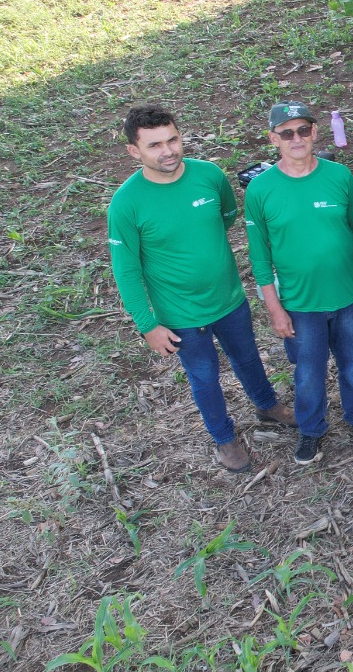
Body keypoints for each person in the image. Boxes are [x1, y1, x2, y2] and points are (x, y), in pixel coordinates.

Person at [107, 105, 295, 473]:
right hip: (181, 314)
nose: (168, 151)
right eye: (154, 145)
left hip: (229, 299)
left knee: (248, 357)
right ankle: (224, 438)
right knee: (204, 377)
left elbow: (226, 215)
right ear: (134, 151)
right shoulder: (127, 204)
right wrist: (147, 324)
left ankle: (267, 405)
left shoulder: (208, 175)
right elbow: (126, 270)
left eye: (173, 139)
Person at [244, 102, 353, 465]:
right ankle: (311, 429)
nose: (297, 138)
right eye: (287, 133)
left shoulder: (339, 177)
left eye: (303, 130)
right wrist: (275, 309)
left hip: (347, 296)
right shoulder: (260, 190)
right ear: (273, 139)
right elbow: (260, 259)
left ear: (315, 132)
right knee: (308, 373)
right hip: (300, 303)